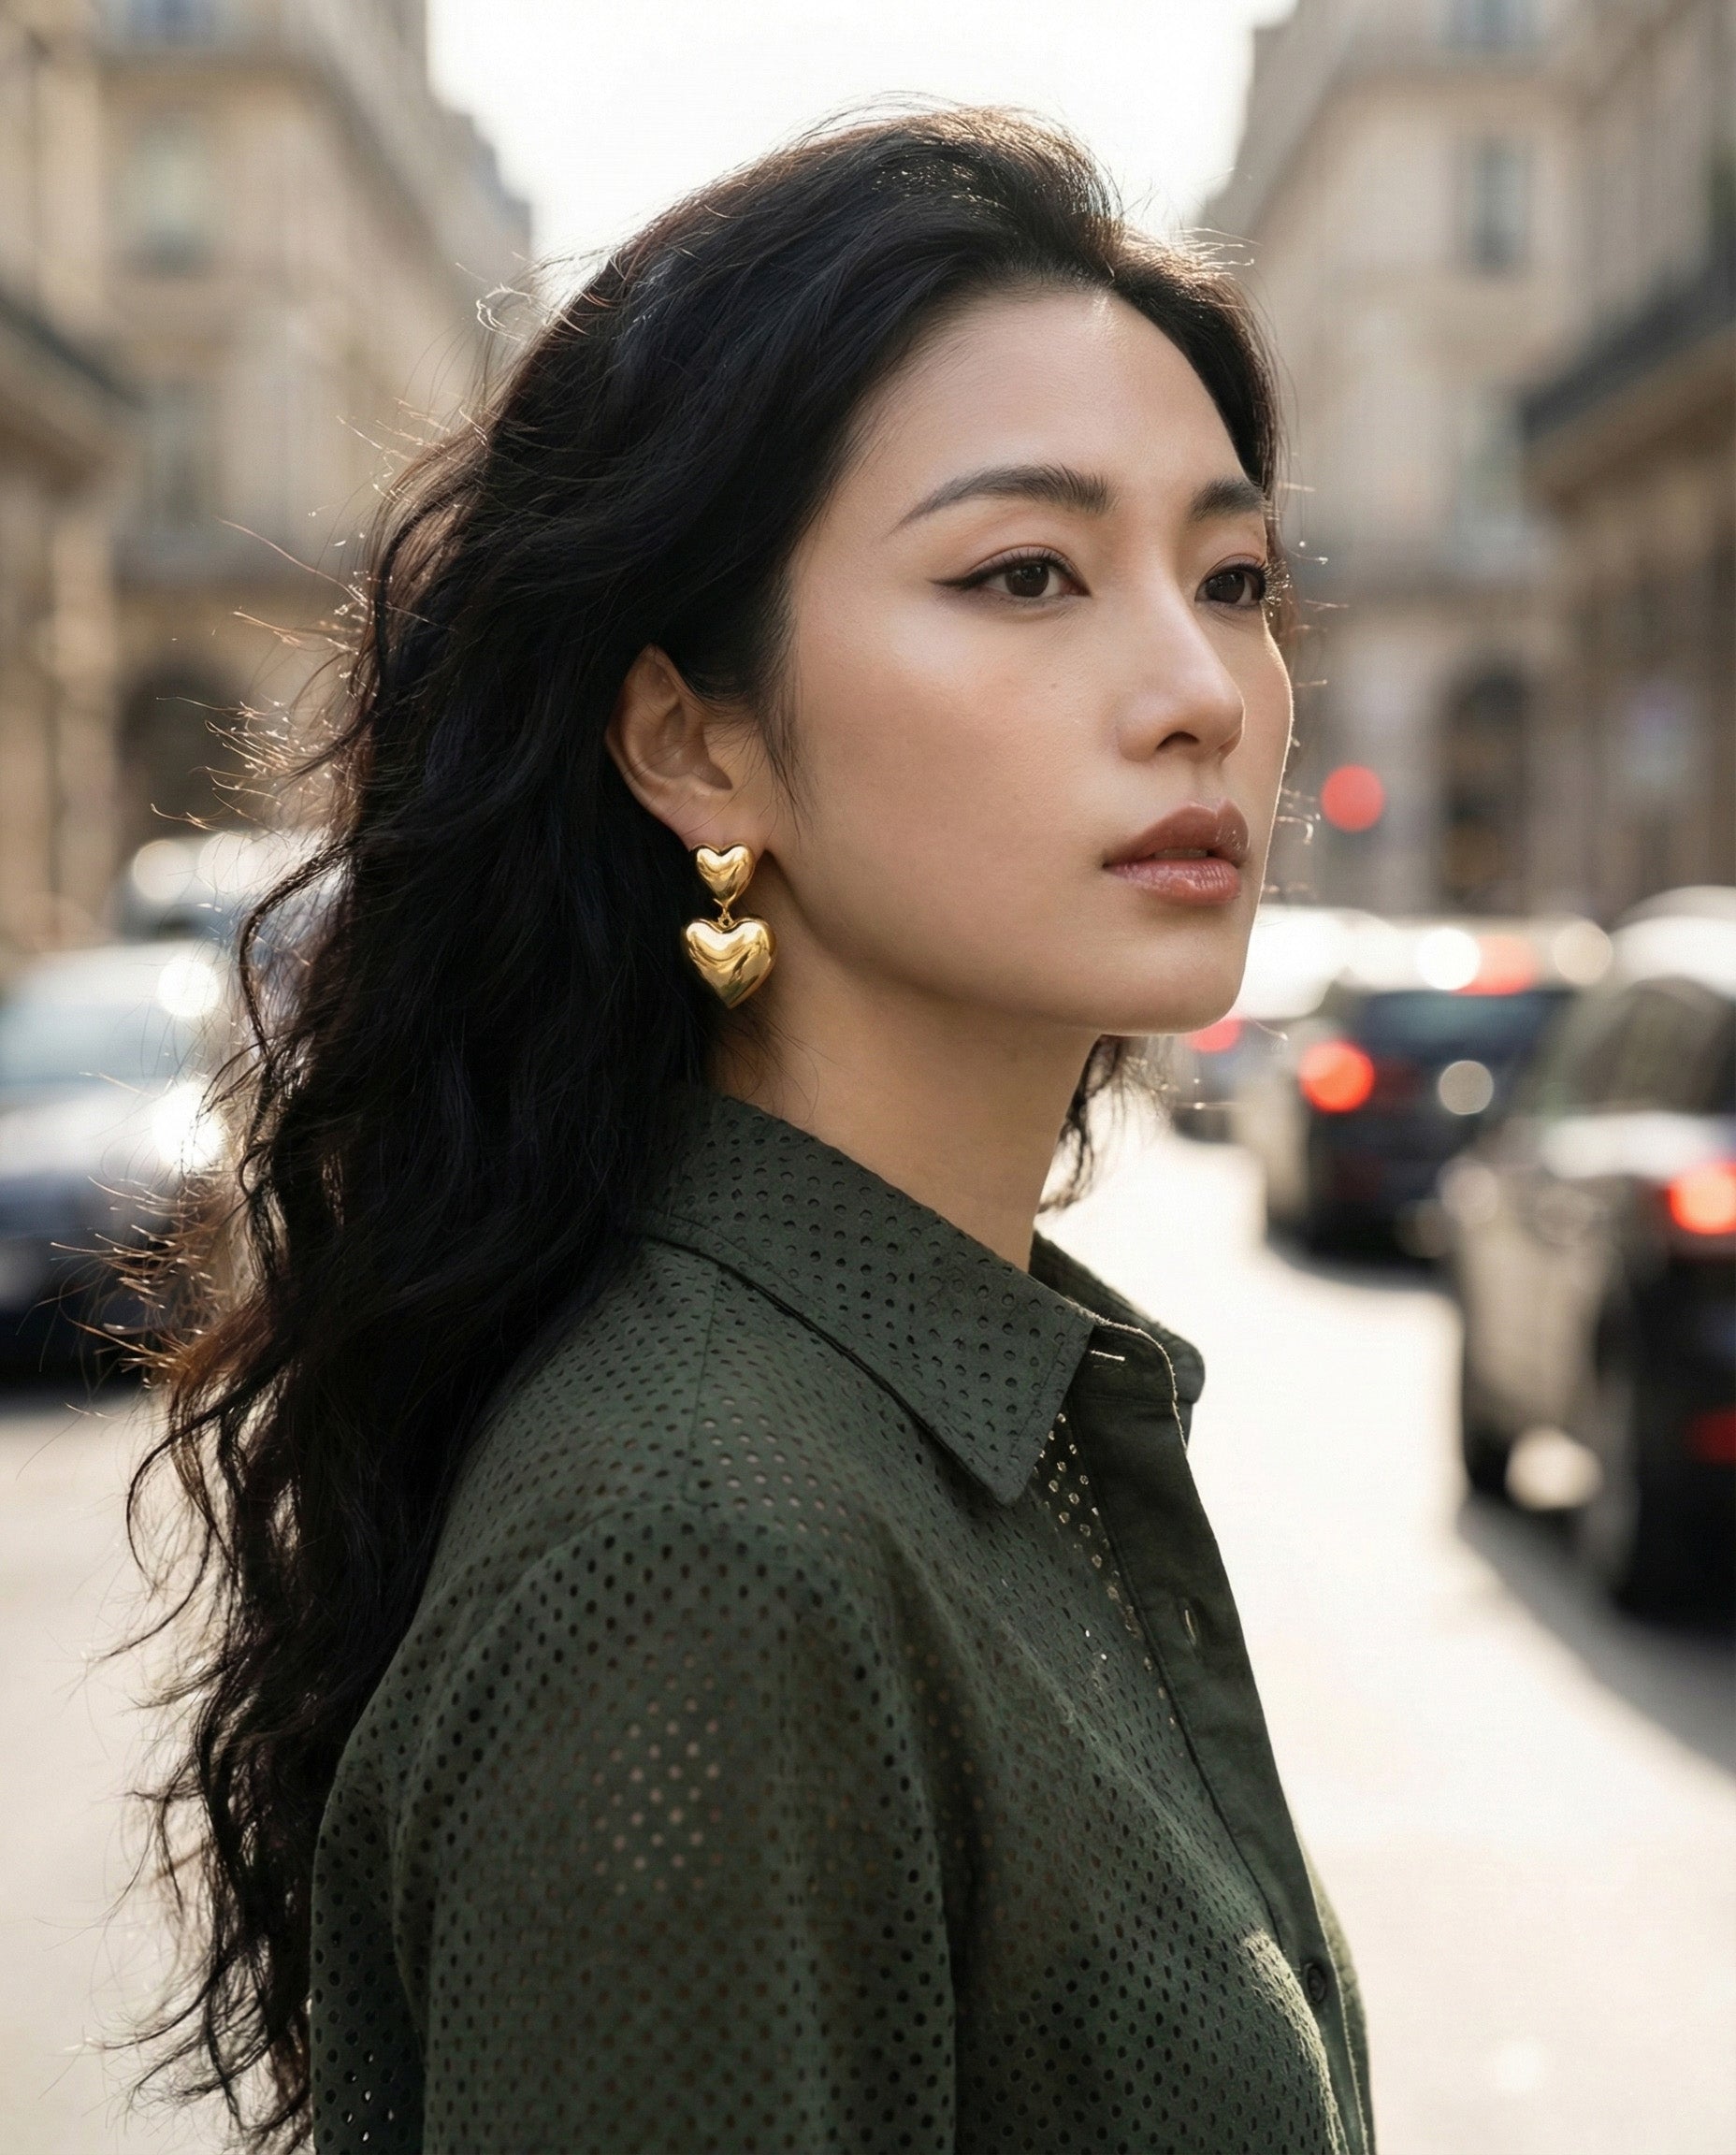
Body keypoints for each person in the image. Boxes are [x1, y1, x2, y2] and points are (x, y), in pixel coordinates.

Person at [137, 109, 1373, 2155]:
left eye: (1232, 575)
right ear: (694, 742)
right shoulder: (703, 1550)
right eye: (1024, 572)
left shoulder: (941, 1406)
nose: (1202, 690)